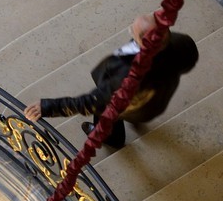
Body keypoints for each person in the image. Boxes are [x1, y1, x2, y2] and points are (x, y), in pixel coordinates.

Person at [24, 13, 199, 150]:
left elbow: (92, 103)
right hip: (155, 103)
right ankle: (136, 120)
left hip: (131, 105)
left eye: (133, 30)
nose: (130, 29)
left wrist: (48, 107)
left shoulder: (127, 75)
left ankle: (111, 138)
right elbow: (189, 60)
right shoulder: (181, 43)